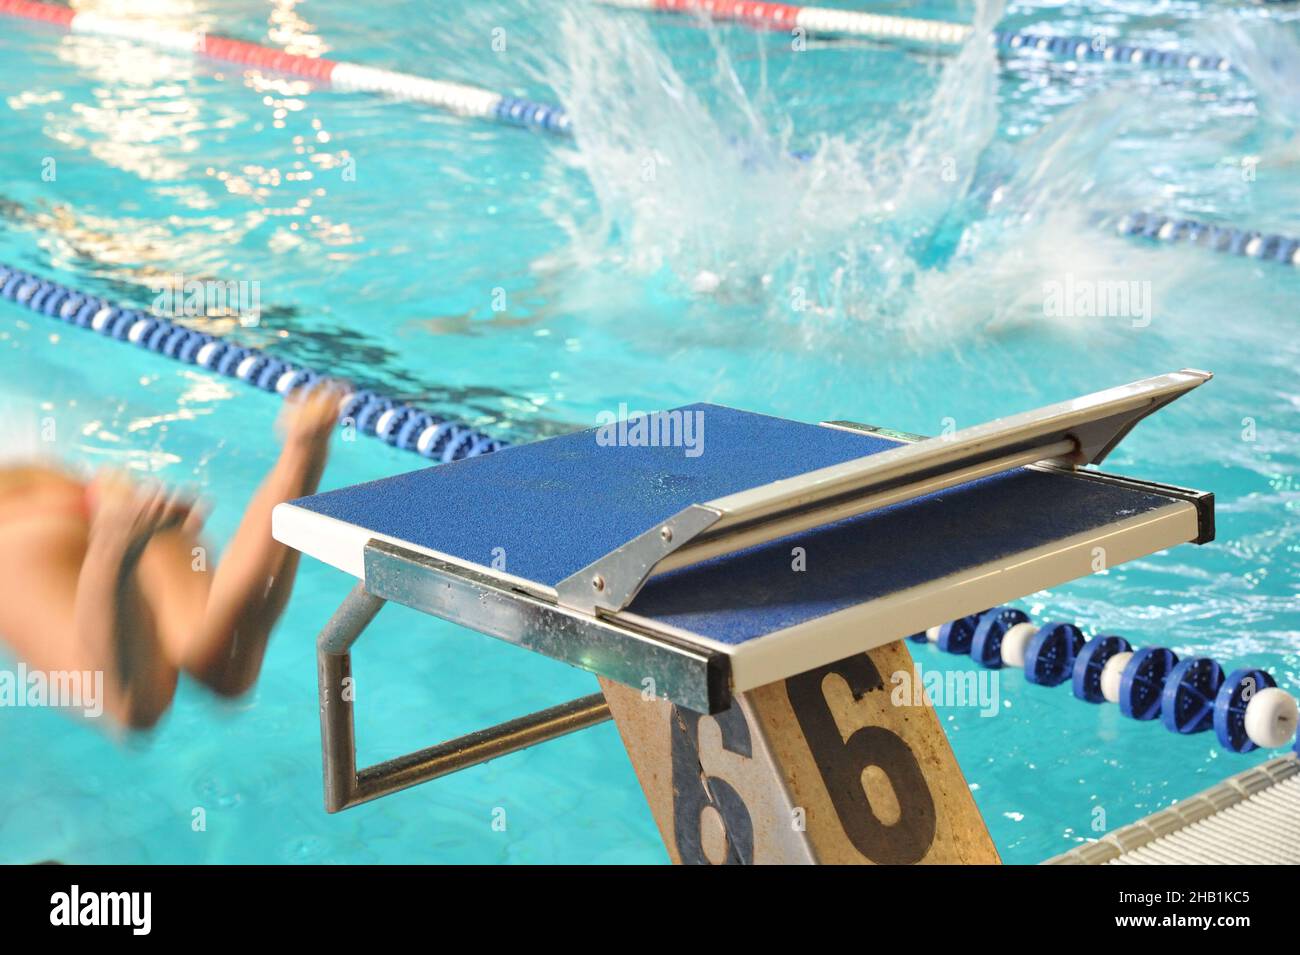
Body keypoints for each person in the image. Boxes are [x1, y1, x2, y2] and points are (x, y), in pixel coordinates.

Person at [0, 384, 342, 730]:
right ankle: (301, 451)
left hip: (24, 519)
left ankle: (114, 549)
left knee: (133, 707)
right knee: (223, 666)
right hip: (85, 496)